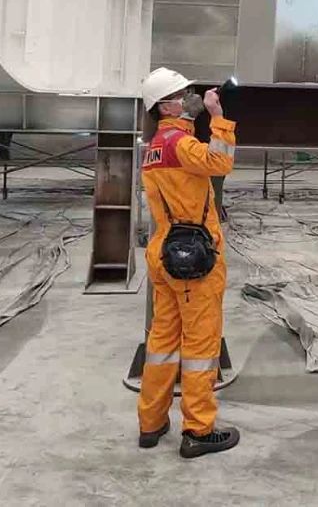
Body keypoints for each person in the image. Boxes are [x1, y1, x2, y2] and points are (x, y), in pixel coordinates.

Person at [136, 67, 240, 458]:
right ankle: (198, 430)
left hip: (164, 253)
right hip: (193, 260)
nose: (190, 97)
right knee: (200, 346)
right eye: (182, 94)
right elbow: (220, 163)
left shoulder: (156, 146)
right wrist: (218, 117)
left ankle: (151, 422)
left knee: (162, 342)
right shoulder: (180, 144)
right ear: (165, 106)